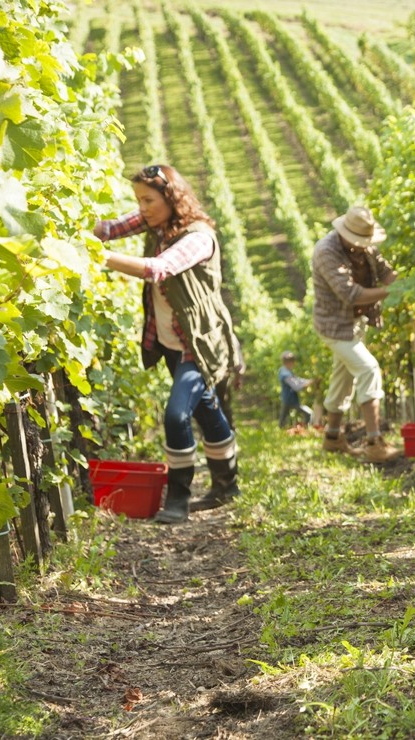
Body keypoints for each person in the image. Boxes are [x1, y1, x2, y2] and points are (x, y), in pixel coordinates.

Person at [93, 164, 245, 524]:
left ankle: (178, 497)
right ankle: (227, 485)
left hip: (200, 342)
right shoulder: (158, 221)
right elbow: (111, 229)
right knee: (206, 408)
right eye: (138, 201)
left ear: (170, 197)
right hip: (170, 341)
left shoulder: (198, 237)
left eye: (148, 200)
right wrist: (68, 234)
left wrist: (97, 257)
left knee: (177, 414)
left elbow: (157, 269)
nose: (141, 208)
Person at [311, 205, 402, 463]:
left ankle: (332, 438)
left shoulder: (366, 246)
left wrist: (409, 283)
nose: (364, 246)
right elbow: (350, 294)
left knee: (343, 377)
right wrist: (391, 293)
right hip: (334, 326)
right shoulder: (326, 252)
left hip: (356, 323)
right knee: (368, 369)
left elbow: (385, 272)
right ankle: (375, 442)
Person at [278, 350, 313, 428]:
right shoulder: (285, 374)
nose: (294, 364)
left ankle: (281, 428)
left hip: (288, 398)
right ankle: (306, 428)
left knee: (283, 418)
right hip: (290, 399)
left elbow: (297, 379)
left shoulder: (285, 371)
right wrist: (306, 384)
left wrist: (308, 381)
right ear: (288, 362)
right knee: (309, 413)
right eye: (292, 362)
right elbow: (296, 386)